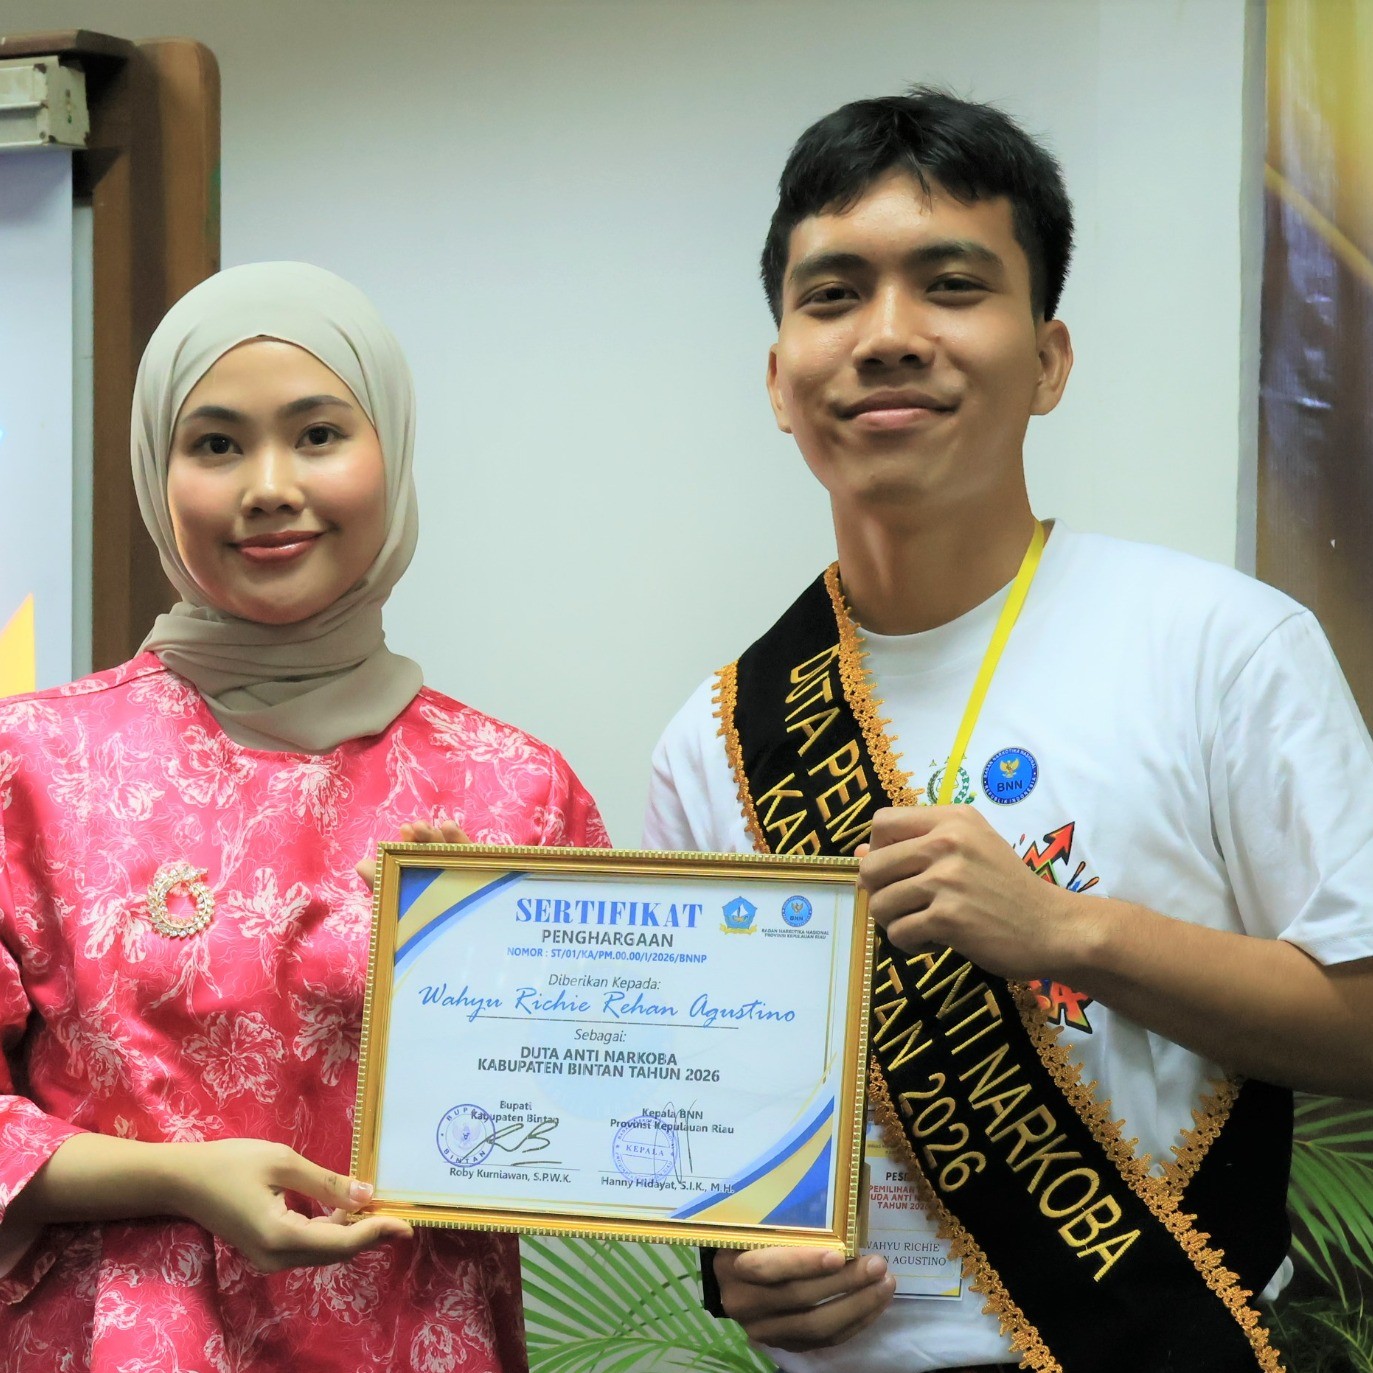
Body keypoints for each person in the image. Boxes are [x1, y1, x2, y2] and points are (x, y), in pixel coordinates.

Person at [644, 88, 1373, 1373]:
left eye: (950, 285)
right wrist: (734, 1265)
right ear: (777, 378)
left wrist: (1064, 931)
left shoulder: (1220, 644)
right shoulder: (713, 738)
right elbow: (717, 1104)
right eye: (832, 295)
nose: (887, 336)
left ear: (1046, 359)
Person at [0, 262, 607, 1372]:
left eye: (318, 434)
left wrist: (489, 972)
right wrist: (179, 1176)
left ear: (392, 450)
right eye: (216, 444)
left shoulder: (513, 789)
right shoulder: (30, 764)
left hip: (413, 1340)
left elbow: (603, 1111)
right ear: (155, 471)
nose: (269, 486)